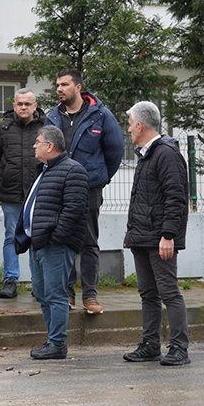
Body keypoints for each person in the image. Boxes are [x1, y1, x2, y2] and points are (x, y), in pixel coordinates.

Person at [45, 69, 124, 314]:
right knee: (63, 239)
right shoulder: (52, 117)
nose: (59, 89)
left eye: (64, 84)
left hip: (89, 188)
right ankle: (67, 293)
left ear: (78, 87)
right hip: (60, 188)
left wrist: (100, 178)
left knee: (89, 241)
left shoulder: (100, 115)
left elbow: (115, 151)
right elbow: (45, 150)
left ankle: (90, 295)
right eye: (57, 85)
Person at [122, 101, 190, 366]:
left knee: (169, 292)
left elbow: (176, 198)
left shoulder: (166, 154)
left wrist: (168, 235)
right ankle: (150, 345)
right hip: (142, 236)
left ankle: (179, 348)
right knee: (148, 294)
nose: (128, 129)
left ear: (140, 125)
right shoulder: (146, 154)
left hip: (159, 238)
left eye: (130, 124)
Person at [14, 125, 88, 360]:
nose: (34, 146)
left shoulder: (73, 170)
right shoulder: (45, 170)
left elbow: (74, 210)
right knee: (41, 293)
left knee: (56, 294)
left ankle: (57, 343)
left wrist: (55, 237)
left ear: (50, 146)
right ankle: (51, 340)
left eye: (37, 142)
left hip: (54, 245)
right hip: (37, 243)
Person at [0, 88, 44, 298]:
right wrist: (6, 175)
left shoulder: (45, 127)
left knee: (37, 237)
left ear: (35, 105)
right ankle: (10, 280)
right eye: (19, 104)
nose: (23, 107)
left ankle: (38, 284)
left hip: (38, 194)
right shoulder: (3, 128)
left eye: (27, 104)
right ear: (13, 106)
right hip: (11, 193)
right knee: (11, 236)